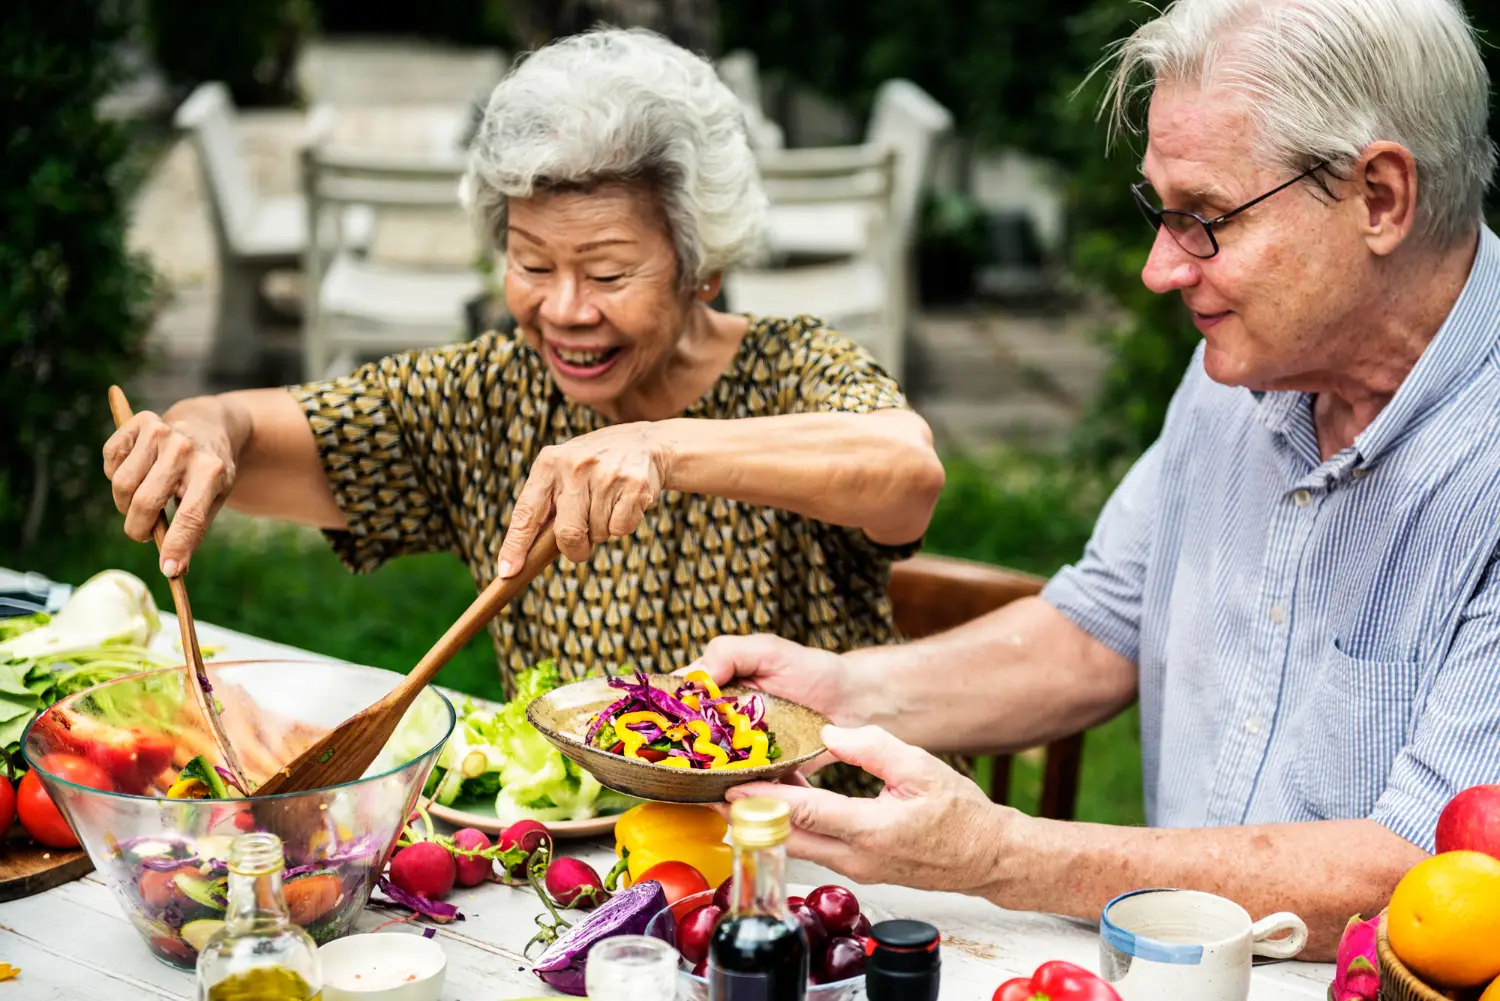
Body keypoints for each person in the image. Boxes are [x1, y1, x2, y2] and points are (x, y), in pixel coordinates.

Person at [694, 0, 1500, 961]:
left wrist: (998, 854)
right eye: (1160, 212)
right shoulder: (1241, 373)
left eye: (1204, 218)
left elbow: (1421, 868)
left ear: (1379, 198)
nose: (1163, 266)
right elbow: (1101, 624)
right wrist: (838, 694)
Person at [102, 27, 945, 798]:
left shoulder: (792, 366)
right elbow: (255, 434)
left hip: (812, 860)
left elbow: (906, 472)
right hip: (568, 869)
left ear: (703, 267)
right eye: (531, 263)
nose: (566, 310)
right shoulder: (487, 396)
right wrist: (205, 427)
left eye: (610, 273)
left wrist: (660, 446)